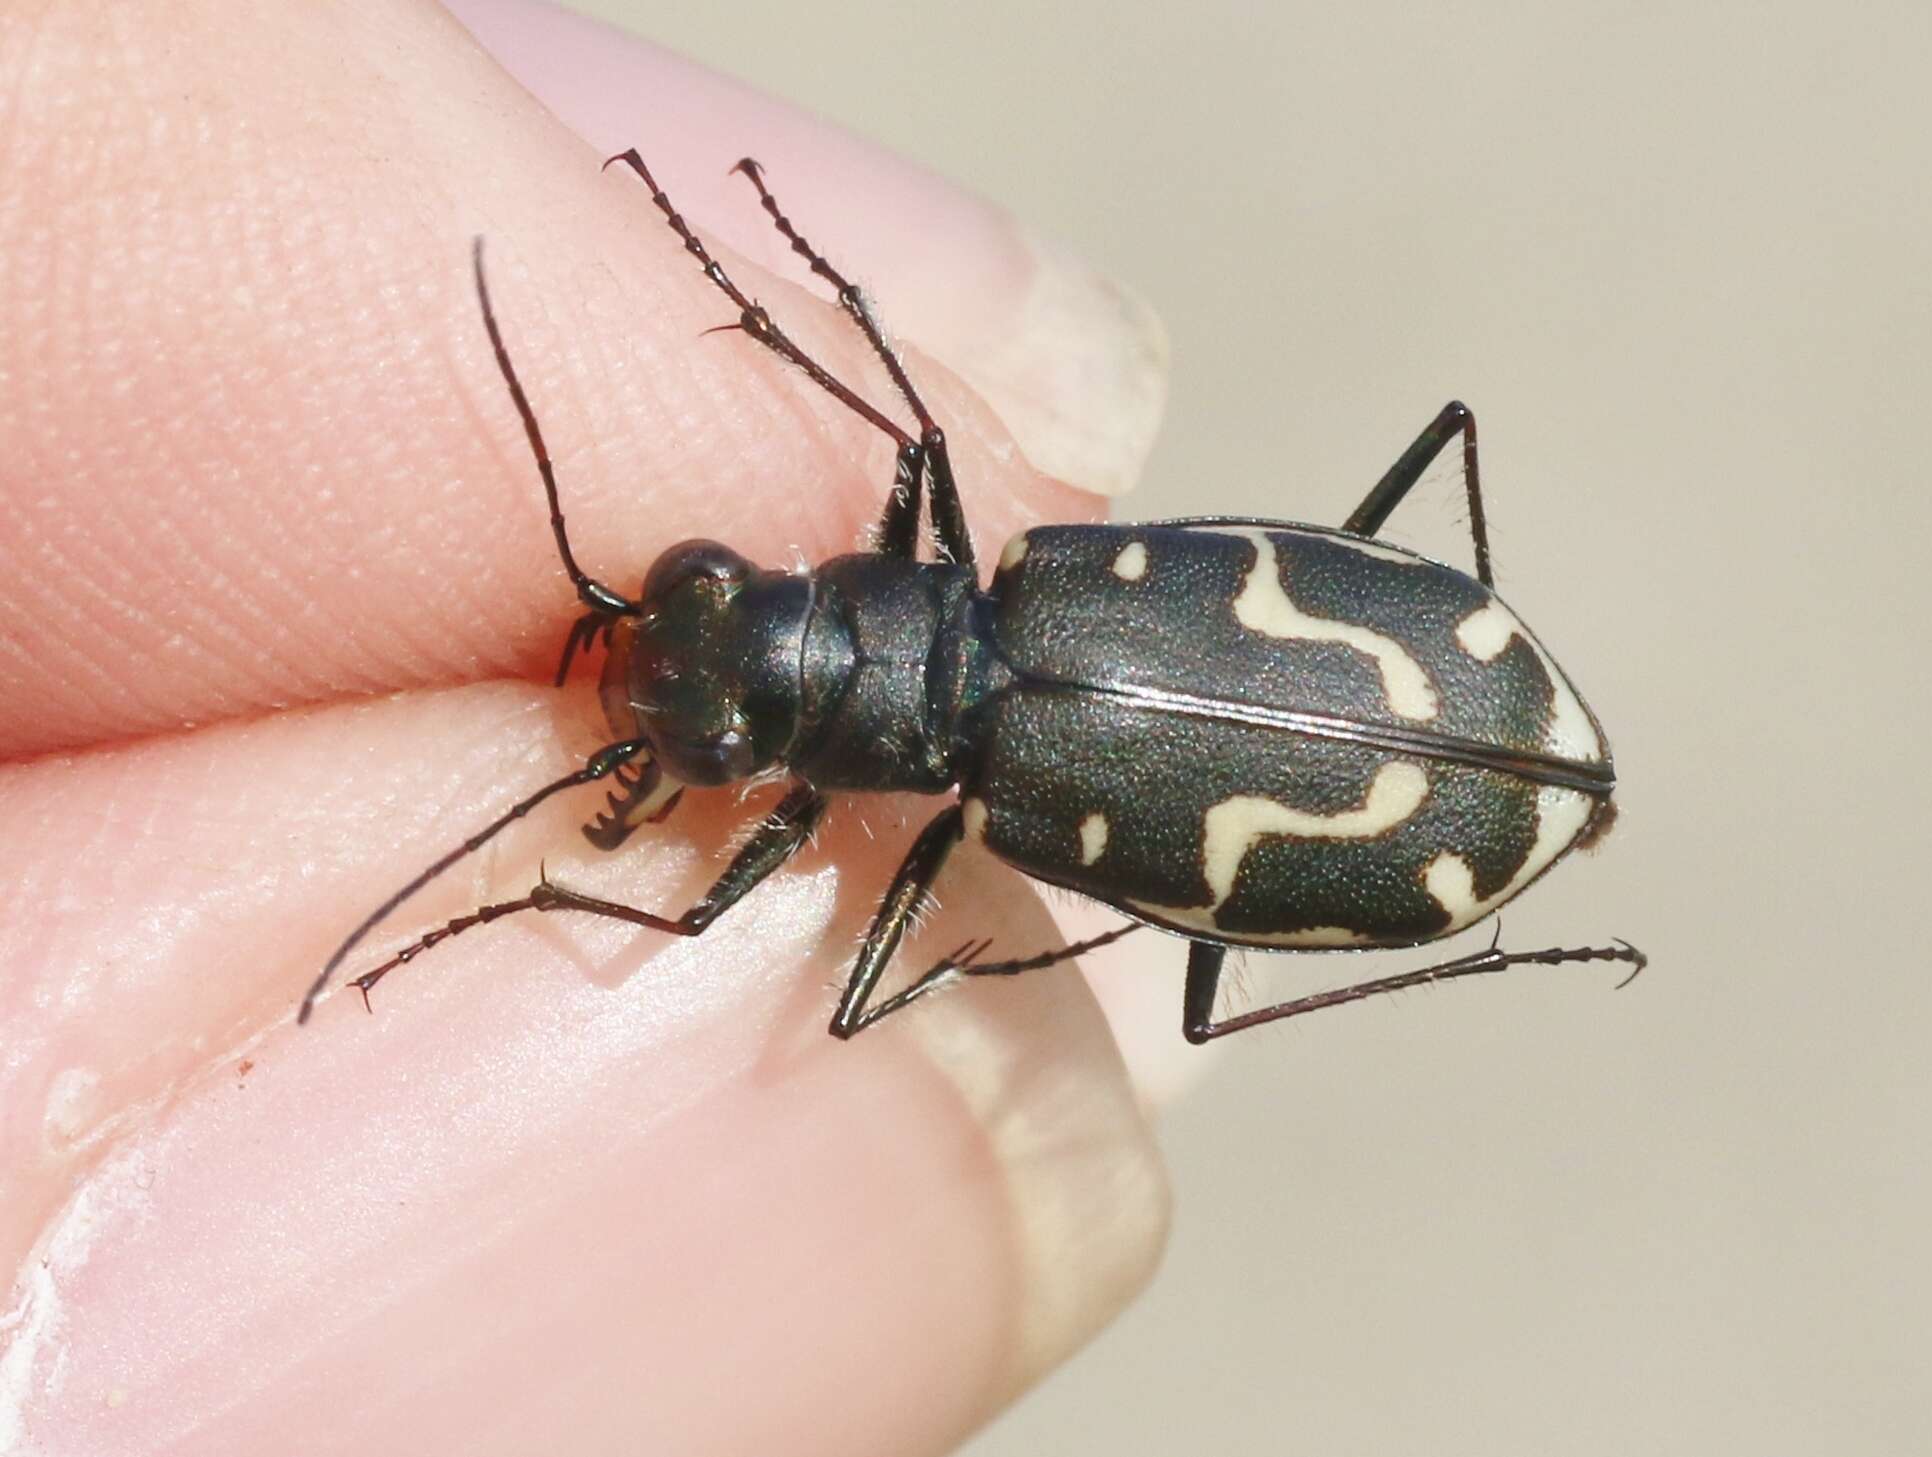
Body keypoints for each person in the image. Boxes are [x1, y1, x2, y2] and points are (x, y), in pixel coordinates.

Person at [0, 1, 1176, 1449]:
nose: (648, 647)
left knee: (794, 906)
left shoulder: (959, 713)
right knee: (925, 454)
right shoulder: (995, 590)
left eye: (705, 597)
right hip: (1102, 676)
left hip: (1086, 734)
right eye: (702, 592)